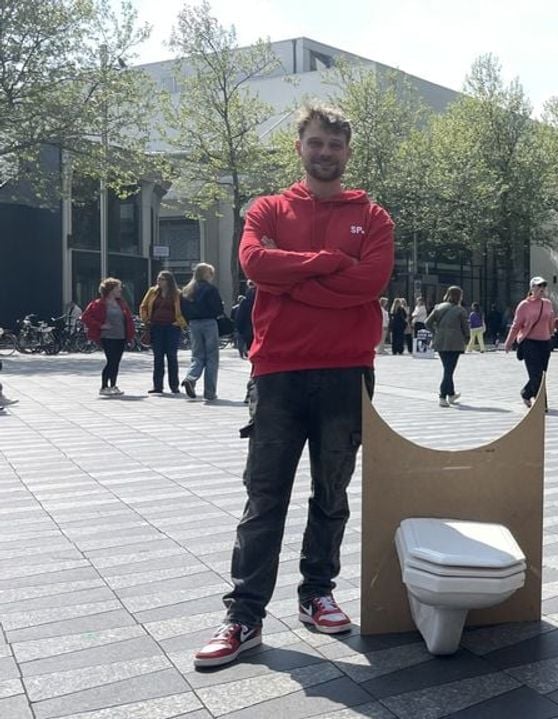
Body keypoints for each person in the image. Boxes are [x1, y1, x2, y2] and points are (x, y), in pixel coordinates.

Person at [193, 103, 394, 668]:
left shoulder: (374, 218)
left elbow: (369, 282)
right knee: (265, 499)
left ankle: (316, 594)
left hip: (347, 371)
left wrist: (294, 279)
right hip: (277, 372)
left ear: (347, 152)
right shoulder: (267, 208)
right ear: (299, 146)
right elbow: (256, 264)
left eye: (335, 144)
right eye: (316, 142)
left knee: (331, 495)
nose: (324, 152)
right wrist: (330, 262)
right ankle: (244, 616)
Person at [505, 277, 557, 408]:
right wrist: (509, 342)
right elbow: (516, 325)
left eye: (543, 286)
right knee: (536, 374)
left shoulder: (547, 303)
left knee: (542, 374)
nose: (542, 289)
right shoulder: (524, 305)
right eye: (539, 286)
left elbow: (551, 320)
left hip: (545, 342)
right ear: (532, 288)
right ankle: (542, 404)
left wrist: (552, 333)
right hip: (529, 342)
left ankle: (527, 393)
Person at [82, 277, 136, 397]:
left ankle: (113, 385)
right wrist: (101, 325)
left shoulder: (121, 303)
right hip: (108, 337)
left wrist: (131, 336)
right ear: (111, 290)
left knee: (116, 362)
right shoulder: (98, 303)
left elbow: (128, 320)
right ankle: (104, 386)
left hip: (121, 336)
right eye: (118, 288)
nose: (120, 290)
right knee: (111, 361)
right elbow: (86, 317)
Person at [179, 263, 225, 401]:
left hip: (193, 324)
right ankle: (210, 392)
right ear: (207, 274)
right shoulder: (210, 289)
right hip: (209, 322)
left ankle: (191, 377)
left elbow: (183, 310)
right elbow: (218, 309)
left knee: (197, 355)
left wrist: (189, 322)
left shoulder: (186, 290)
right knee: (212, 357)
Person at [139, 270, 187, 394]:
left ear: (169, 281)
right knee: (158, 357)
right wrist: (146, 319)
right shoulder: (152, 292)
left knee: (172, 356)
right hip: (156, 327)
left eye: (162, 279)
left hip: (172, 328)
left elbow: (185, 310)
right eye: (158, 279)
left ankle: (174, 385)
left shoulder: (177, 294)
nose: (159, 281)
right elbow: (143, 306)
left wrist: (179, 323)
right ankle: (158, 386)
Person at [426, 286, 470, 407]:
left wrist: (435, 332)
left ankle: (451, 394)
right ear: (459, 296)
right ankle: (442, 396)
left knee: (447, 368)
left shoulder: (438, 307)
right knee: (449, 370)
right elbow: (465, 328)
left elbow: (427, 322)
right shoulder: (460, 310)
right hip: (455, 342)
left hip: (440, 341)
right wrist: (467, 338)